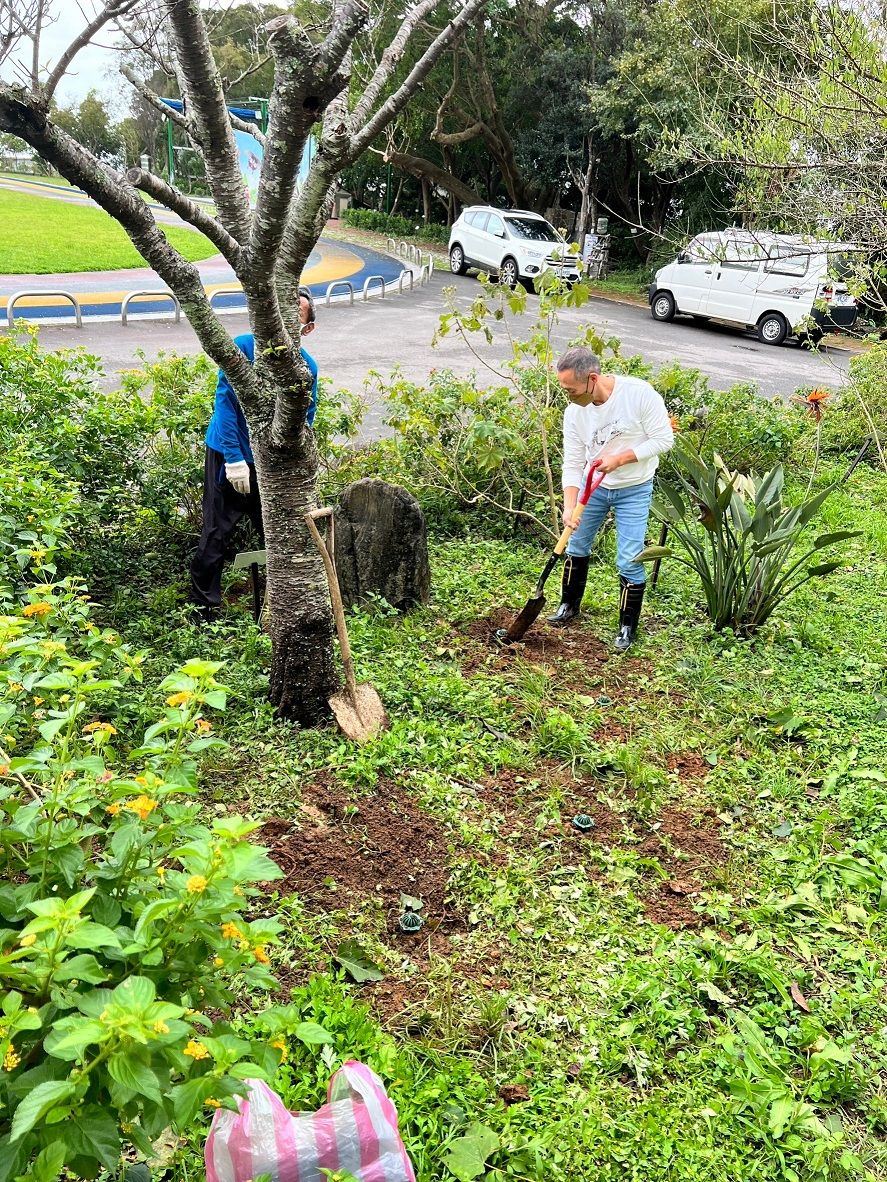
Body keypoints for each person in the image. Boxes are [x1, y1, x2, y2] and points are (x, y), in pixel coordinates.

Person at [189, 288, 318, 618]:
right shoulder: (245, 348)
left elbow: (303, 419)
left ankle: (278, 606)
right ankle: (204, 608)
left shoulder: (306, 369)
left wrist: (291, 463)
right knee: (217, 532)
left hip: (271, 464)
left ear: (308, 328)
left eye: (296, 320)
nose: (286, 328)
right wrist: (233, 458)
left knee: (275, 532)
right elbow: (225, 404)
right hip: (228, 455)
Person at [549, 346, 674, 652]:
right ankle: (569, 606)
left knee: (630, 557)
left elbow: (664, 439)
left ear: (593, 378)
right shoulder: (573, 412)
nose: (568, 396)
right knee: (576, 544)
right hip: (592, 486)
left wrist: (621, 459)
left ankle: (627, 627)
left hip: (634, 486)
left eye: (571, 390)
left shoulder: (639, 394)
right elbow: (573, 461)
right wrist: (569, 505)